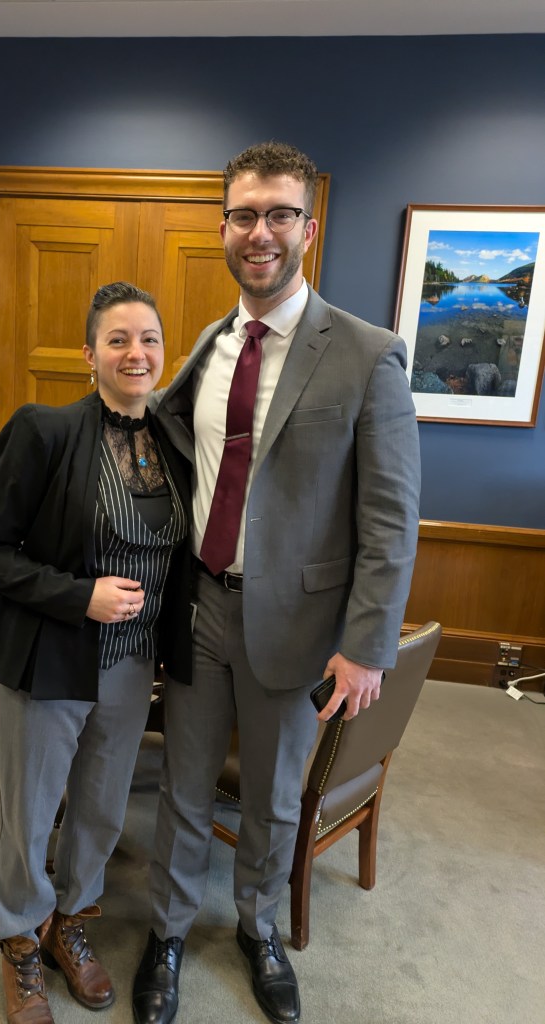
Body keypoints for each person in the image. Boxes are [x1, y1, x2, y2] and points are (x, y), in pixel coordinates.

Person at [132, 142, 421, 1024]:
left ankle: (257, 928)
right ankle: (169, 932)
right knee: (183, 785)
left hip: (297, 624)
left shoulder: (367, 355)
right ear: (223, 227)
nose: (260, 232)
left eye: (279, 214)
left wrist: (367, 645)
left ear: (308, 226)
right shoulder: (210, 347)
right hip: (201, 607)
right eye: (244, 215)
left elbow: (390, 517)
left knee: (271, 792)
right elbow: (165, 446)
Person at [0, 281, 191, 1024]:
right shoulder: (46, 429)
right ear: (88, 354)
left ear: (164, 352)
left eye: (149, 339)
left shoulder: (174, 440)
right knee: (31, 814)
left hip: (131, 661)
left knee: (98, 807)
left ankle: (71, 925)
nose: (136, 352)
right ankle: (20, 944)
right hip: (49, 656)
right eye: (118, 339)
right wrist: (78, 594)